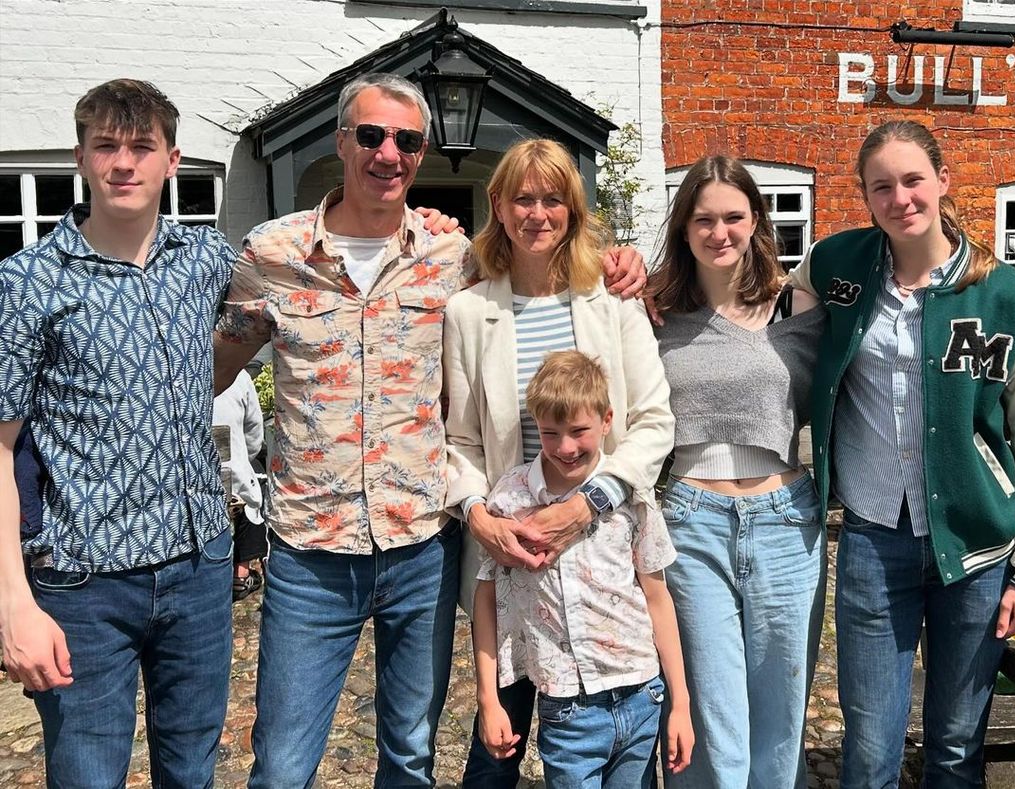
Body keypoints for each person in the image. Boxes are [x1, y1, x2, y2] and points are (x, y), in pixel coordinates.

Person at [213, 75, 648, 787]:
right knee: (284, 762)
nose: (388, 152)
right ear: (341, 141)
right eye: (372, 135)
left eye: (406, 140)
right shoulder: (272, 253)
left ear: (419, 153)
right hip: (310, 549)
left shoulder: (451, 256)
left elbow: (540, 259)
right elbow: (214, 369)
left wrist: (621, 261)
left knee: (411, 754)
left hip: (419, 543)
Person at [0, 79, 237, 788]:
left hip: (199, 568)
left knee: (192, 772)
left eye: (142, 146)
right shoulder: (28, 281)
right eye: (107, 145)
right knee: (86, 776)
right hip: (82, 585)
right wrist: (13, 603)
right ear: (81, 157)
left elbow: (306, 272)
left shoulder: (206, 261)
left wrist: (436, 230)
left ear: (173, 159)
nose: (123, 163)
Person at [787, 120, 1015, 788]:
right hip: (871, 538)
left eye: (913, 179)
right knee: (869, 750)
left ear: (943, 181)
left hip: (976, 550)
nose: (901, 198)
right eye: (881, 186)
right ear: (865, 196)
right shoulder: (837, 265)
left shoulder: (1003, 293)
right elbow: (760, 289)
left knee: (954, 747)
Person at [443, 137, 674, 787]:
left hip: (603, 552)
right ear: (498, 205)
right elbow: (458, 440)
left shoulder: (612, 299)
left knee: (613, 737)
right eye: (523, 197)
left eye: (552, 199)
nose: (537, 212)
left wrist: (588, 501)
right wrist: (480, 515)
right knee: (497, 748)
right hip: (514, 557)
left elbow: (654, 423)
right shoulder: (468, 311)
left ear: (572, 209)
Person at [647, 155, 826, 788]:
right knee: (708, 709)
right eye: (703, 219)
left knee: (782, 713)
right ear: (684, 227)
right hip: (692, 523)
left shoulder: (797, 304)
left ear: (756, 221)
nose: (719, 232)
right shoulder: (654, 311)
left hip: (786, 520)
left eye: (733, 217)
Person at [472, 350, 693, 786]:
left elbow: (658, 598)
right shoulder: (510, 499)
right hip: (566, 706)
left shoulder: (633, 496)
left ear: (607, 420)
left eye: (579, 431)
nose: (566, 447)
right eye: (550, 433)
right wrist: (488, 699)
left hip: (641, 693)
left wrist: (680, 704)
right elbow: (486, 600)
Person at [212, 368, 268, 601]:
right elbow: (255, 436)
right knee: (255, 483)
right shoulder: (241, 376)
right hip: (231, 476)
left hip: (197, 476)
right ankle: (241, 572)